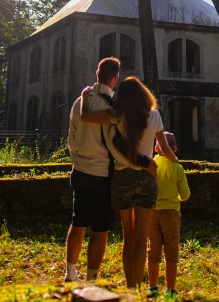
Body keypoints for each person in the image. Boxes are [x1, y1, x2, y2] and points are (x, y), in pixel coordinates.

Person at [65, 58, 156, 284]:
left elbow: (72, 136)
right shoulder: (112, 107)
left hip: (80, 169)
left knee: (77, 224)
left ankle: (70, 273)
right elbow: (116, 142)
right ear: (115, 78)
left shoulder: (79, 102)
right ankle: (91, 279)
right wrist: (145, 162)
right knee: (100, 230)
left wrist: (78, 157)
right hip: (104, 174)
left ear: (97, 73)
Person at [81, 77, 178, 288]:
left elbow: (86, 117)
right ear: (144, 94)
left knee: (129, 235)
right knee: (142, 236)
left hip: (122, 178)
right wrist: (176, 163)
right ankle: (138, 288)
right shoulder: (154, 116)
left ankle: (130, 285)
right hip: (147, 179)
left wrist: (84, 98)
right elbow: (165, 149)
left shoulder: (117, 115)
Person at [147, 132, 190, 297]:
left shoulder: (150, 165)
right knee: (171, 251)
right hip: (171, 212)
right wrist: (176, 198)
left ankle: (152, 287)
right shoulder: (177, 168)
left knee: (153, 249)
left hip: (152, 211)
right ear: (175, 149)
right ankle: (170, 289)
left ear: (156, 148)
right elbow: (185, 195)